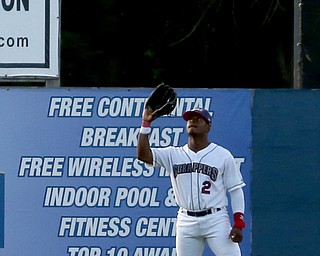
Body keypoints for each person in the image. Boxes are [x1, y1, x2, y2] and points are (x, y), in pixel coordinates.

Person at [137, 107, 246, 256]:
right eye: (189, 119)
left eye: (198, 119)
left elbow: (235, 190)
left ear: (208, 126)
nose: (192, 121)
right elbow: (143, 155)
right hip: (186, 220)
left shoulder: (222, 155)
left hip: (215, 219)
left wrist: (238, 223)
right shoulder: (173, 154)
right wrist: (145, 124)